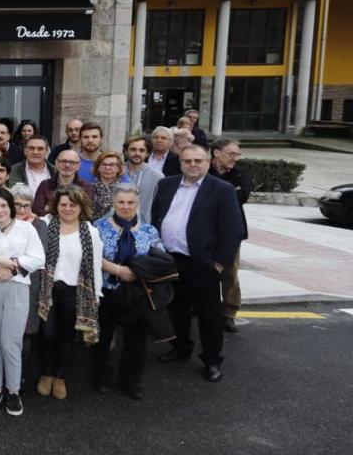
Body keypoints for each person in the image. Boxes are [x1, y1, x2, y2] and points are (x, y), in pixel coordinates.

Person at [153, 145, 245, 383]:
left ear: (207, 162)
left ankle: (212, 360)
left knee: (208, 315)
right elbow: (157, 216)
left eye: (198, 160)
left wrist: (220, 263)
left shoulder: (222, 190)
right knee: (175, 309)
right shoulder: (166, 184)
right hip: (170, 260)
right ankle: (181, 348)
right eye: (187, 160)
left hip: (202, 263)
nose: (192, 164)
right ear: (180, 162)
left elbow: (232, 230)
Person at [0, 188, 45, 417]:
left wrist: (10, 267)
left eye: (4, 205)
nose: (0, 210)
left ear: (10, 206)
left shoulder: (26, 229)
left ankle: (14, 391)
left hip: (17, 288)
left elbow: (38, 258)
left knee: (11, 342)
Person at [94, 183, 168, 399]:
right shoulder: (98, 227)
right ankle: (101, 377)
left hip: (138, 292)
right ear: (114, 203)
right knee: (104, 338)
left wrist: (136, 271)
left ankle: (131, 380)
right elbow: (92, 257)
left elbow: (159, 259)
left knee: (136, 341)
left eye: (130, 203)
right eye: (121, 202)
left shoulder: (148, 230)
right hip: (107, 291)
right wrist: (117, 269)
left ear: (137, 204)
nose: (126, 207)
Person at [35, 185, 103, 401]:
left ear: (81, 207)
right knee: (47, 335)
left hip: (75, 292)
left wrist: (96, 295)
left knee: (67, 337)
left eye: (72, 205)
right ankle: (46, 373)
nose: (67, 209)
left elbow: (95, 266)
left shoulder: (90, 232)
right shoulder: (46, 225)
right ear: (56, 206)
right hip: (48, 290)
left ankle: (60, 377)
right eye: (63, 204)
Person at [210, 138, 251, 333]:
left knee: (230, 274)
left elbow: (242, 196)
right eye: (231, 154)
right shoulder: (204, 170)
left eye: (237, 154)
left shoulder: (241, 174)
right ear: (217, 153)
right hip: (206, 231)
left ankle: (229, 314)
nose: (235, 158)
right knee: (204, 272)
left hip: (230, 233)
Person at [32, 150, 93, 216]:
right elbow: (37, 211)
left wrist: (50, 208)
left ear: (78, 166)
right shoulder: (45, 185)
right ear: (56, 163)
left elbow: (86, 213)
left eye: (72, 162)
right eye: (63, 161)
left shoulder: (86, 187)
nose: (67, 165)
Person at [123, 135, 164, 223]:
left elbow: (160, 206)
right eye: (133, 149)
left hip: (143, 228)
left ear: (147, 153)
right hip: (115, 227)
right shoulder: (116, 171)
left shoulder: (157, 176)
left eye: (141, 150)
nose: (137, 153)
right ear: (126, 151)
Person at [90, 151, 126, 220]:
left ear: (118, 168)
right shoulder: (89, 189)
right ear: (98, 167)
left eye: (112, 165)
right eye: (103, 164)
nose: (107, 168)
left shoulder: (125, 190)